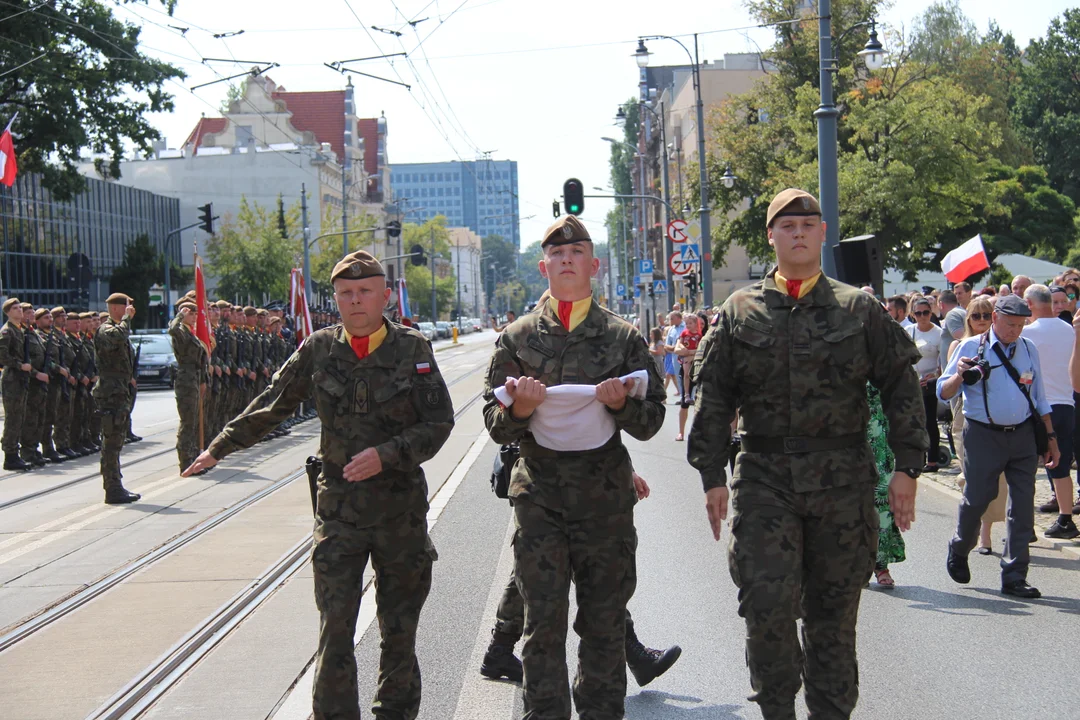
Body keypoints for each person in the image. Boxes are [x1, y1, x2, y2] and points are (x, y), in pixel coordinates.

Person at [688, 188, 926, 720]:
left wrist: (908, 467)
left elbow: (901, 387)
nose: (798, 232)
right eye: (786, 225)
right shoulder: (740, 310)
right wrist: (711, 473)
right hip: (764, 477)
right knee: (766, 609)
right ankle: (776, 707)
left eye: (808, 224)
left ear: (822, 233)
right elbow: (714, 397)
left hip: (842, 481)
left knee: (833, 619)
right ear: (771, 236)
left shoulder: (858, 308)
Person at [183, 250, 453, 720]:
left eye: (365, 291)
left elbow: (439, 423)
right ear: (335, 298)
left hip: (399, 513)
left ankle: (395, 713)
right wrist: (219, 446)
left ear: (384, 296)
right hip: (338, 514)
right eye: (346, 293)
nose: (355, 301)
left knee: (399, 627)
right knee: (335, 628)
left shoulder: (413, 349)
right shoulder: (320, 347)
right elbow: (274, 403)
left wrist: (386, 455)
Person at [482, 214, 665, 720]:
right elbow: (493, 424)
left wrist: (620, 405)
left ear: (594, 264)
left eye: (576, 252)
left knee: (604, 623)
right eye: (557, 255)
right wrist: (518, 410)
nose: (567, 260)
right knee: (543, 624)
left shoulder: (623, 338)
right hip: (540, 498)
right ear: (544, 267)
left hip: (605, 501)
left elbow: (651, 422)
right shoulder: (517, 339)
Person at [480, 471, 682, 689]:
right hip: (553, 477)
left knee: (539, 564)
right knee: (577, 565)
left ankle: (500, 648)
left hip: (560, 480)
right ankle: (633, 654)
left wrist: (623, 468)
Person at [938, 294, 1060, 599]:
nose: (1014, 331)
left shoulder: (1028, 348)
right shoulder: (970, 346)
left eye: (1020, 325)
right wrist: (959, 375)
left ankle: (1015, 575)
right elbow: (943, 391)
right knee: (978, 497)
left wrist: (1051, 439)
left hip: (1021, 436)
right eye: (1009, 324)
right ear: (994, 319)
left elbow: (1039, 398)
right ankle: (960, 545)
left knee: (1022, 506)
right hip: (982, 434)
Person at [947, 297, 1007, 554]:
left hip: (1000, 419)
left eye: (986, 315)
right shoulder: (960, 346)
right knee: (971, 476)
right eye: (976, 316)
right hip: (967, 418)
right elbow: (948, 387)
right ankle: (975, 528)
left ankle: (988, 530)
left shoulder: (1007, 345)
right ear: (968, 319)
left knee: (1000, 477)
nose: (981, 320)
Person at [1021, 285, 1079, 539]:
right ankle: (1066, 518)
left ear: (1030, 304)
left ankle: (1025, 525)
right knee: (1061, 465)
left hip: (1039, 407)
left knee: (1024, 468)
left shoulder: (1026, 333)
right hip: (1067, 404)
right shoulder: (1069, 330)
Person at [94, 294, 141, 504]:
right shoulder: (106, 329)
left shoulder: (119, 328)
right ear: (115, 308)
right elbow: (117, 337)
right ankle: (112, 488)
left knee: (117, 440)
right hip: (110, 393)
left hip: (120, 391)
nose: (130, 310)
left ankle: (115, 484)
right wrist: (126, 320)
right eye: (127, 307)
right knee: (111, 441)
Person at [169, 303, 210, 473]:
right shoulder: (180, 331)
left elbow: (201, 361)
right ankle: (185, 461)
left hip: (194, 378)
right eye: (189, 313)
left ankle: (193, 458)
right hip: (185, 379)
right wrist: (179, 315)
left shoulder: (192, 333)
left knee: (194, 421)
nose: (193, 316)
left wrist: (203, 380)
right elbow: (171, 329)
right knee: (187, 422)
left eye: (195, 313)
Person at [907, 298, 943, 472]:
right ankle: (918, 458)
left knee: (929, 421)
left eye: (926, 312)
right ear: (913, 315)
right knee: (914, 422)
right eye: (918, 313)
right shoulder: (908, 331)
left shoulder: (938, 333)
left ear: (931, 313)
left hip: (930, 382)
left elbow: (943, 360)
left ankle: (933, 460)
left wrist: (935, 374)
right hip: (912, 381)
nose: (922, 316)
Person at [1, 298, 32, 471]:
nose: (19, 310)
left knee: (19, 416)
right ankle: (10, 455)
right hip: (12, 379)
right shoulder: (7, 332)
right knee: (13, 417)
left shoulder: (20, 330)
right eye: (15, 308)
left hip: (20, 379)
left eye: (20, 307)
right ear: (8, 312)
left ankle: (15, 452)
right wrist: (20, 365)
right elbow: (2, 356)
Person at [674, 313, 702, 442]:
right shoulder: (684, 334)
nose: (689, 326)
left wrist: (691, 353)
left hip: (699, 366)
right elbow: (677, 348)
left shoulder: (700, 335)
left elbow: (703, 350)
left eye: (691, 323)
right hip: (686, 362)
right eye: (687, 323)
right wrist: (686, 351)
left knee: (701, 404)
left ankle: (699, 433)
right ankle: (681, 432)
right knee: (684, 404)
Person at [938, 290, 966, 376]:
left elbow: (961, 338)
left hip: (955, 373)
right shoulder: (962, 311)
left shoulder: (952, 314)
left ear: (941, 304)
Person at [663, 311, 685, 398]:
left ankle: (690, 395)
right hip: (675, 356)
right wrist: (674, 348)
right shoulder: (671, 329)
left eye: (672, 318)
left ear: (679, 318)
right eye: (669, 319)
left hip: (686, 355)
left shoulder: (686, 326)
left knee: (687, 376)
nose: (670, 320)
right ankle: (682, 396)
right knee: (678, 376)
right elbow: (667, 345)